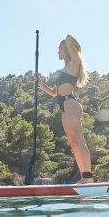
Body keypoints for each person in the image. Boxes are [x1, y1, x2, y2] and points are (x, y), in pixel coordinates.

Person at [35, 35, 93, 183]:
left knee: (80, 141)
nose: (57, 53)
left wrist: (69, 44)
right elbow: (54, 93)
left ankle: (88, 178)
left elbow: (69, 38)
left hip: (70, 103)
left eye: (59, 50)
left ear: (66, 50)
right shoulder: (64, 69)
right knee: (73, 144)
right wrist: (41, 83)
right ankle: (83, 177)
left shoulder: (74, 62)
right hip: (65, 107)